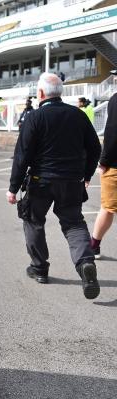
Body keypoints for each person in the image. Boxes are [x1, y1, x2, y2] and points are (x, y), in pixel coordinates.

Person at [7, 73, 101, 299]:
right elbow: (95, 148)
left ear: (40, 94)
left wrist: (13, 187)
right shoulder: (77, 115)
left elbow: (22, 155)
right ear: (60, 92)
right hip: (71, 181)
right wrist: (86, 175)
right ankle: (85, 262)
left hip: (41, 181)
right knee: (74, 223)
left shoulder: (35, 117)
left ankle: (39, 268)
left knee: (33, 221)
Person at [90, 70, 117, 259]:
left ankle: (94, 246)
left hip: (115, 164)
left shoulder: (116, 98)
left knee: (107, 207)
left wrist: (103, 161)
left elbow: (113, 131)